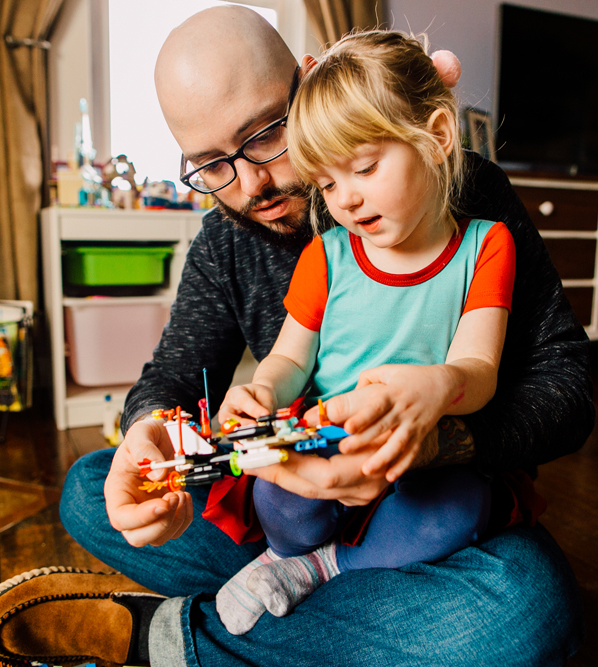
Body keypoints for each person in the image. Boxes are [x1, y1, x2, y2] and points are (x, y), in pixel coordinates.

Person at [0, 6, 593, 667]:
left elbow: (566, 389)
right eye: (209, 164)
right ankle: (331, 607)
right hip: (292, 500)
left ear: (308, 85)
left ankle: (167, 634)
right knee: (94, 488)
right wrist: (150, 432)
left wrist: (432, 443)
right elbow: (173, 379)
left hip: (428, 506)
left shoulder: (461, 192)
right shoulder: (229, 239)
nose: (250, 184)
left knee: (528, 607)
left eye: (265, 135)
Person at [211, 30, 516, 636]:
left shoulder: (488, 245)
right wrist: (262, 392)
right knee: (277, 500)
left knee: (456, 515)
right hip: (325, 444)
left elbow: (480, 370)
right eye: (325, 183)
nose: (345, 199)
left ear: (436, 136)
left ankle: (323, 569)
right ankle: (288, 556)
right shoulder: (327, 255)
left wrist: (440, 386)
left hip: (418, 461)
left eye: (365, 167)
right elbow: (289, 359)